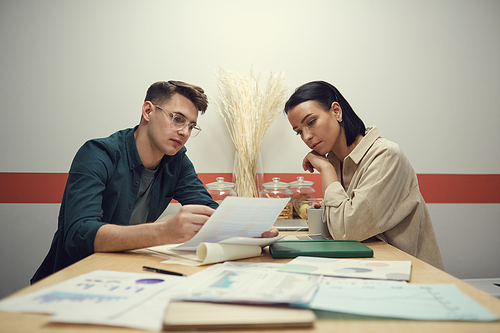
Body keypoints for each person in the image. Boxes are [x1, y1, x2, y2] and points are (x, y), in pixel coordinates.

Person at [32, 80, 278, 283]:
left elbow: (209, 211)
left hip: (126, 275)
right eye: (177, 119)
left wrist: (252, 229)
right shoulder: (98, 154)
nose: (184, 132)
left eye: (191, 125)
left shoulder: (177, 161)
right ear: (148, 111)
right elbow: (78, 236)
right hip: (71, 280)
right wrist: (163, 231)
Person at [284, 81, 444, 269]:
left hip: (410, 276)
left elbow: (347, 231)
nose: (306, 136)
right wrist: (325, 214)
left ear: (336, 111)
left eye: (311, 122)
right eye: (299, 132)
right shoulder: (335, 161)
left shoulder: (385, 155)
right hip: (366, 270)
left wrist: (326, 170)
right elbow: (345, 227)